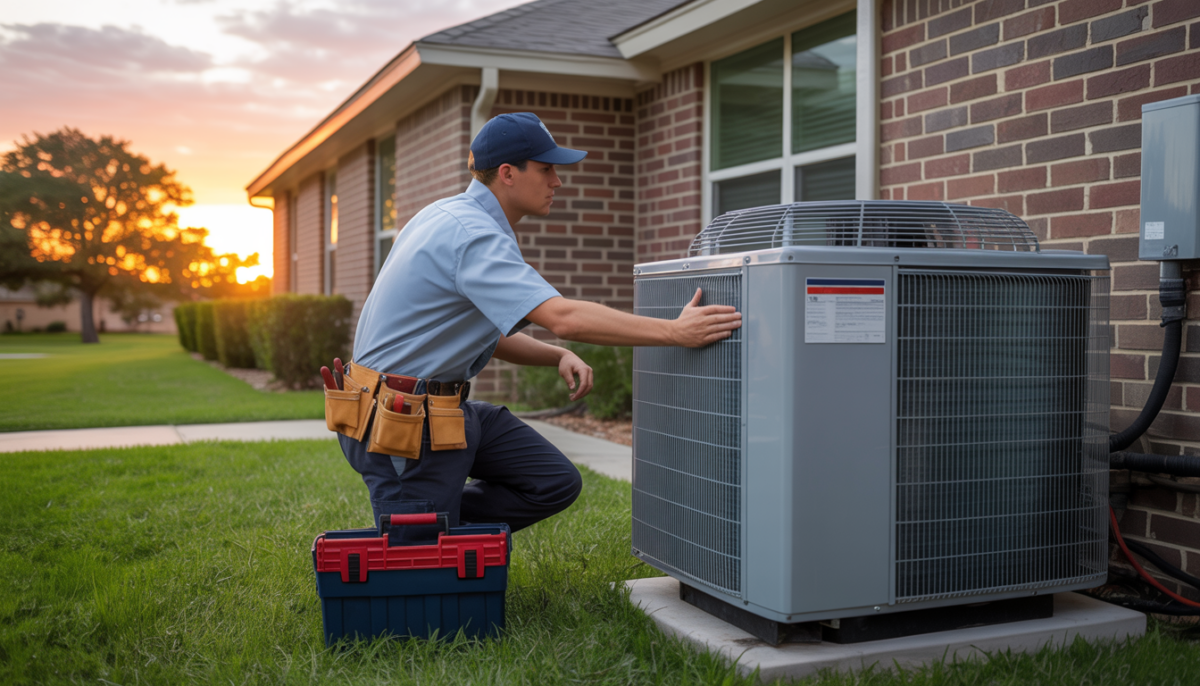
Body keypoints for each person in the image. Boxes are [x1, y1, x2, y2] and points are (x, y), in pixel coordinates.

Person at [339, 112, 741, 536]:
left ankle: (440, 522)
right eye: (546, 169)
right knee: (418, 573)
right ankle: (423, 528)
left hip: (439, 406)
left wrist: (557, 356)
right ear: (508, 173)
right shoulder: (473, 234)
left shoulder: (445, 215)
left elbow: (480, 334)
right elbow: (562, 317)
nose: (557, 181)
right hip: (400, 420)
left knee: (552, 481)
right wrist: (675, 332)